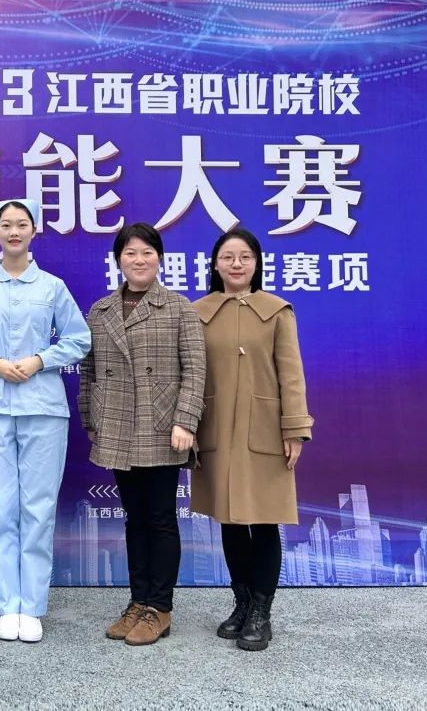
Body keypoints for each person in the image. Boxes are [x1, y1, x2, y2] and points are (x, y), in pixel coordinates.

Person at [0, 200, 90, 643]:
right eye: (6, 225)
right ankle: (7, 605)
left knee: (38, 508)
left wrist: (39, 360)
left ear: (34, 231)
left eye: (22, 224)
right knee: (1, 508)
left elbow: (79, 339)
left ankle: (32, 606)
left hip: (43, 407)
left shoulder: (52, 287)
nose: (14, 231)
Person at [78, 222, 205, 647]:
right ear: (118, 260)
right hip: (116, 424)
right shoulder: (100, 311)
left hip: (162, 424)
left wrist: (186, 420)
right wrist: (91, 419)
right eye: (130, 253)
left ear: (159, 258)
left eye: (147, 252)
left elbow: (195, 370)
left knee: (160, 518)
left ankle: (160, 608)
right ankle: (138, 600)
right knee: (134, 518)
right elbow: (89, 373)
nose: (139, 260)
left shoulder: (179, 307)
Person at [191, 228, 313, 651]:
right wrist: (190, 427)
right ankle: (241, 604)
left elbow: (291, 374)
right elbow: (191, 375)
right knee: (228, 519)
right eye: (228, 256)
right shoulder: (198, 312)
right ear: (215, 264)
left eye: (245, 256)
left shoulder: (277, 311)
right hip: (215, 428)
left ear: (257, 263)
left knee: (262, 521)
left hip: (264, 430)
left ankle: (262, 611)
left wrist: (294, 428)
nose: (237, 264)